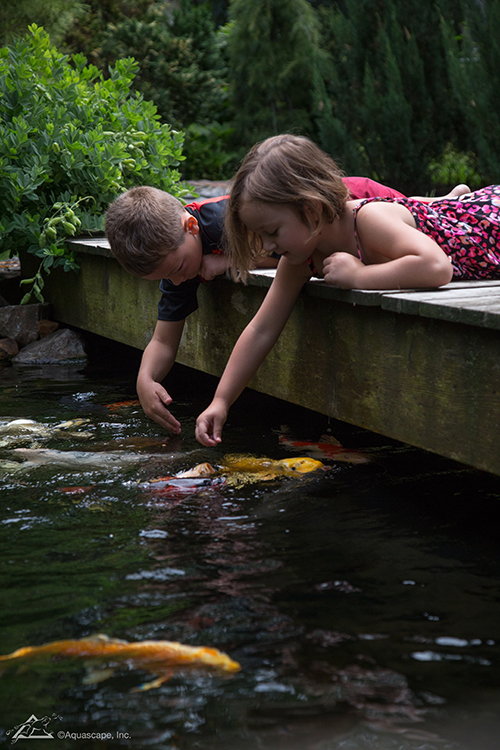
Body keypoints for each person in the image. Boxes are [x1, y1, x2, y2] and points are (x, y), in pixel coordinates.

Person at [194, 133, 499, 447]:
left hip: (490, 223)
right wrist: (221, 400)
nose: (268, 247)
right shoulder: (301, 259)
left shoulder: (367, 218)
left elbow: (436, 267)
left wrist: (360, 277)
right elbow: (261, 328)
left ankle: (454, 200)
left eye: (272, 232)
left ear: (311, 210)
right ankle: (452, 198)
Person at [105, 176, 470, 434]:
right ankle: (447, 203)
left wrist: (234, 261)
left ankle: (447, 202)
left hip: (357, 196)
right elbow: (164, 338)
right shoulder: (177, 264)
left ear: (191, 227)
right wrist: (145, 378)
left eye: (179, 269)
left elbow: (281, 250)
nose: (180, 279)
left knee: (414, 212)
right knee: (421, 219)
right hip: (351, 228)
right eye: (169, 278)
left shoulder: (227, 222)